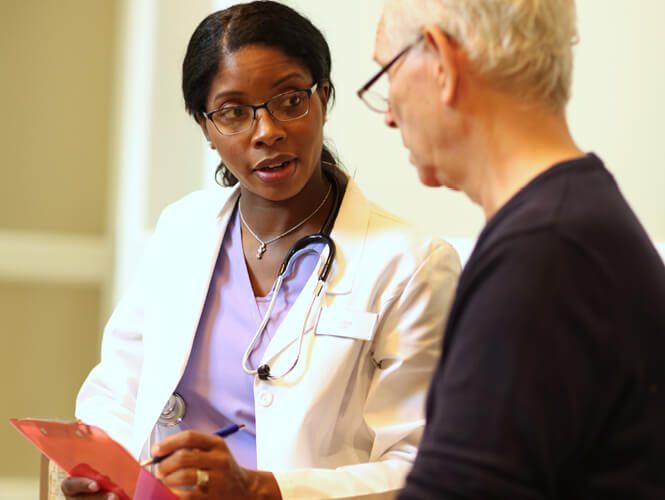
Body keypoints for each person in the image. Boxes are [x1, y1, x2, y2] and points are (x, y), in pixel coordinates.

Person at [62, 1, 461, 499]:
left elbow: (421, 466)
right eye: (233, 112)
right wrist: (105, 467)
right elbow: (120, 385)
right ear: (206, 128)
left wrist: (264, 489)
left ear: (324, 98)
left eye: (290, 100)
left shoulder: (411, 265)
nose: (267, 131)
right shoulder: (181, 229)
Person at [359, 0, 665, 499]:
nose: (389, 115)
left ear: (441, 61)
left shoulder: (544, 259)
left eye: (386, 74)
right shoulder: (572, 225)